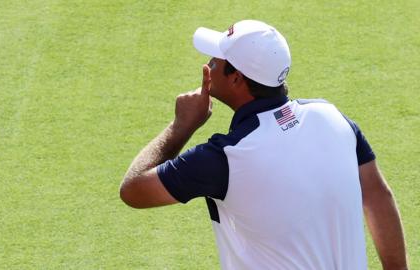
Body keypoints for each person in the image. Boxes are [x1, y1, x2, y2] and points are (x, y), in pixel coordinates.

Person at [120, 20, 408, 270]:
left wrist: (181, 127)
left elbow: (133, 189)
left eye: (215, 61)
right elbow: (378, 196)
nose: (208, 65)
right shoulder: (332, 117)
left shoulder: (225, 157)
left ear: (236, 79)